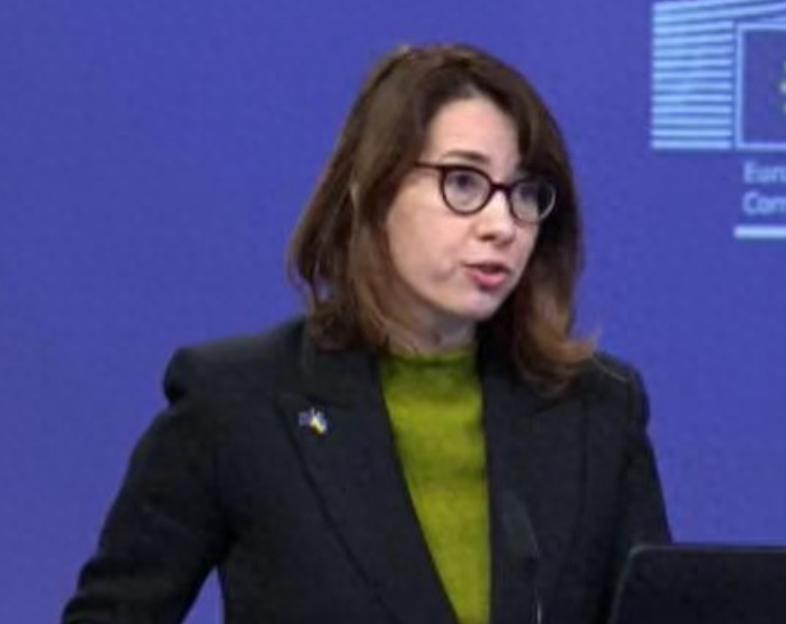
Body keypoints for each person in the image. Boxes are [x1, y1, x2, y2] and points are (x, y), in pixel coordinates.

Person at [62, 43, 670, 624]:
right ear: (370, 190)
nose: (502, 224)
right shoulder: (236, 406)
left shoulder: (598, 409)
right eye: (463, 182)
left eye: (526, 194)